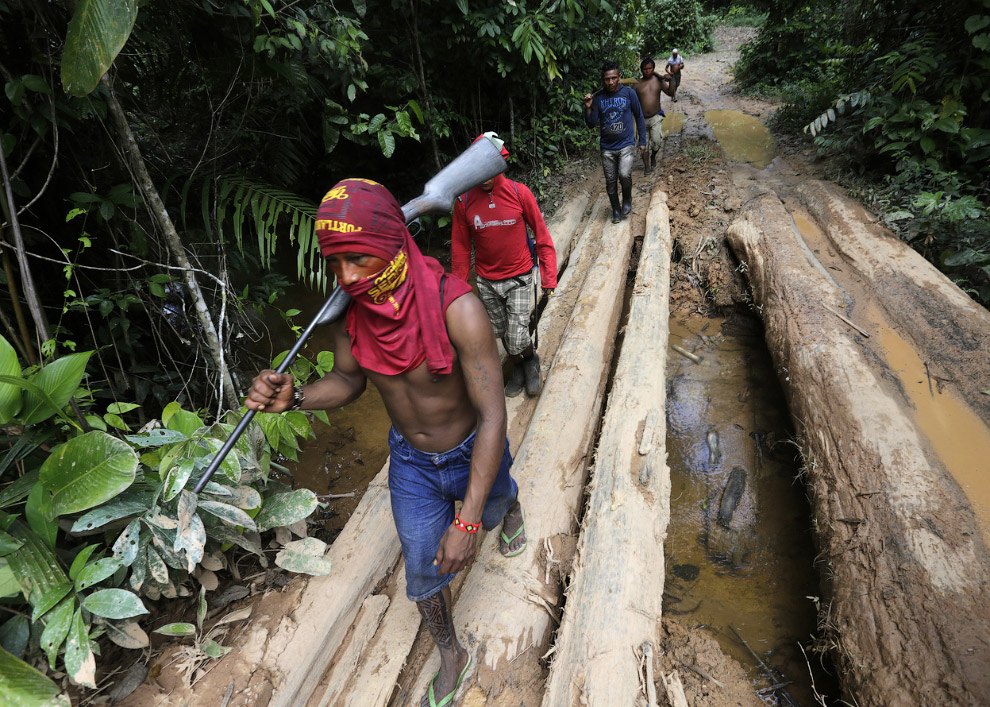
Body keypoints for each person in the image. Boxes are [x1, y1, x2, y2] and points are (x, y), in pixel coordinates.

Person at [245, 179, 526, 707]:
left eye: (358, 259)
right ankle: (451, 653)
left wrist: (465, 524)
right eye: (335, 263)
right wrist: (296, 395)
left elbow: (493, 417)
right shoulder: (353, 313)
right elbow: (349, 381)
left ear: (391, 245)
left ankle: (508, 507)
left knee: (494, 504)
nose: (346, 276)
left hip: (472, 446)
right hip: (412, 463)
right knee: (423, 568)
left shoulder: (457, 308)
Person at [451, 136, 557, 398]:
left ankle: (531, 361)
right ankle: (519, 367)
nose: (485, 176)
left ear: (501, 165)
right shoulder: (464, 201)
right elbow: (461, 248)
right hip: (487, 281)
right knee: (502, 333)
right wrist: (458, 290)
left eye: (491, 169)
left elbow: (542, 235)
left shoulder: (519, 193)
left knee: (517, 334)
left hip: (519, 276)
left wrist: (549, 277)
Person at [583, 60, 647, 223]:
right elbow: (591, 124)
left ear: (619, 76)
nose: (610, 82)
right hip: (607, 148)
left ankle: (627, 199)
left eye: (613, 78)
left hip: (626, 144)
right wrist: (588, 107)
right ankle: (616, 210)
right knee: (610, 181)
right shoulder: (598, 97)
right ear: (602, 80)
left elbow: (639, 116)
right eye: (607, 79)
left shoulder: (629, 93)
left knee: (624, 174)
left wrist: (642, 140)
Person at [633, 57, 669, 174]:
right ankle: (647, 167)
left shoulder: (658, 81)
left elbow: (671, 92)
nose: (647, 71)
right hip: (641, 119)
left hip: (655, 118)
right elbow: (630, 102)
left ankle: (653, 156)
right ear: (641, 70)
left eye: (649, 69)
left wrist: (672, 80)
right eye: (645, 69)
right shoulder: (637, 84)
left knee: (656, 141)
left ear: (653, 69)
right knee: (643, 144)